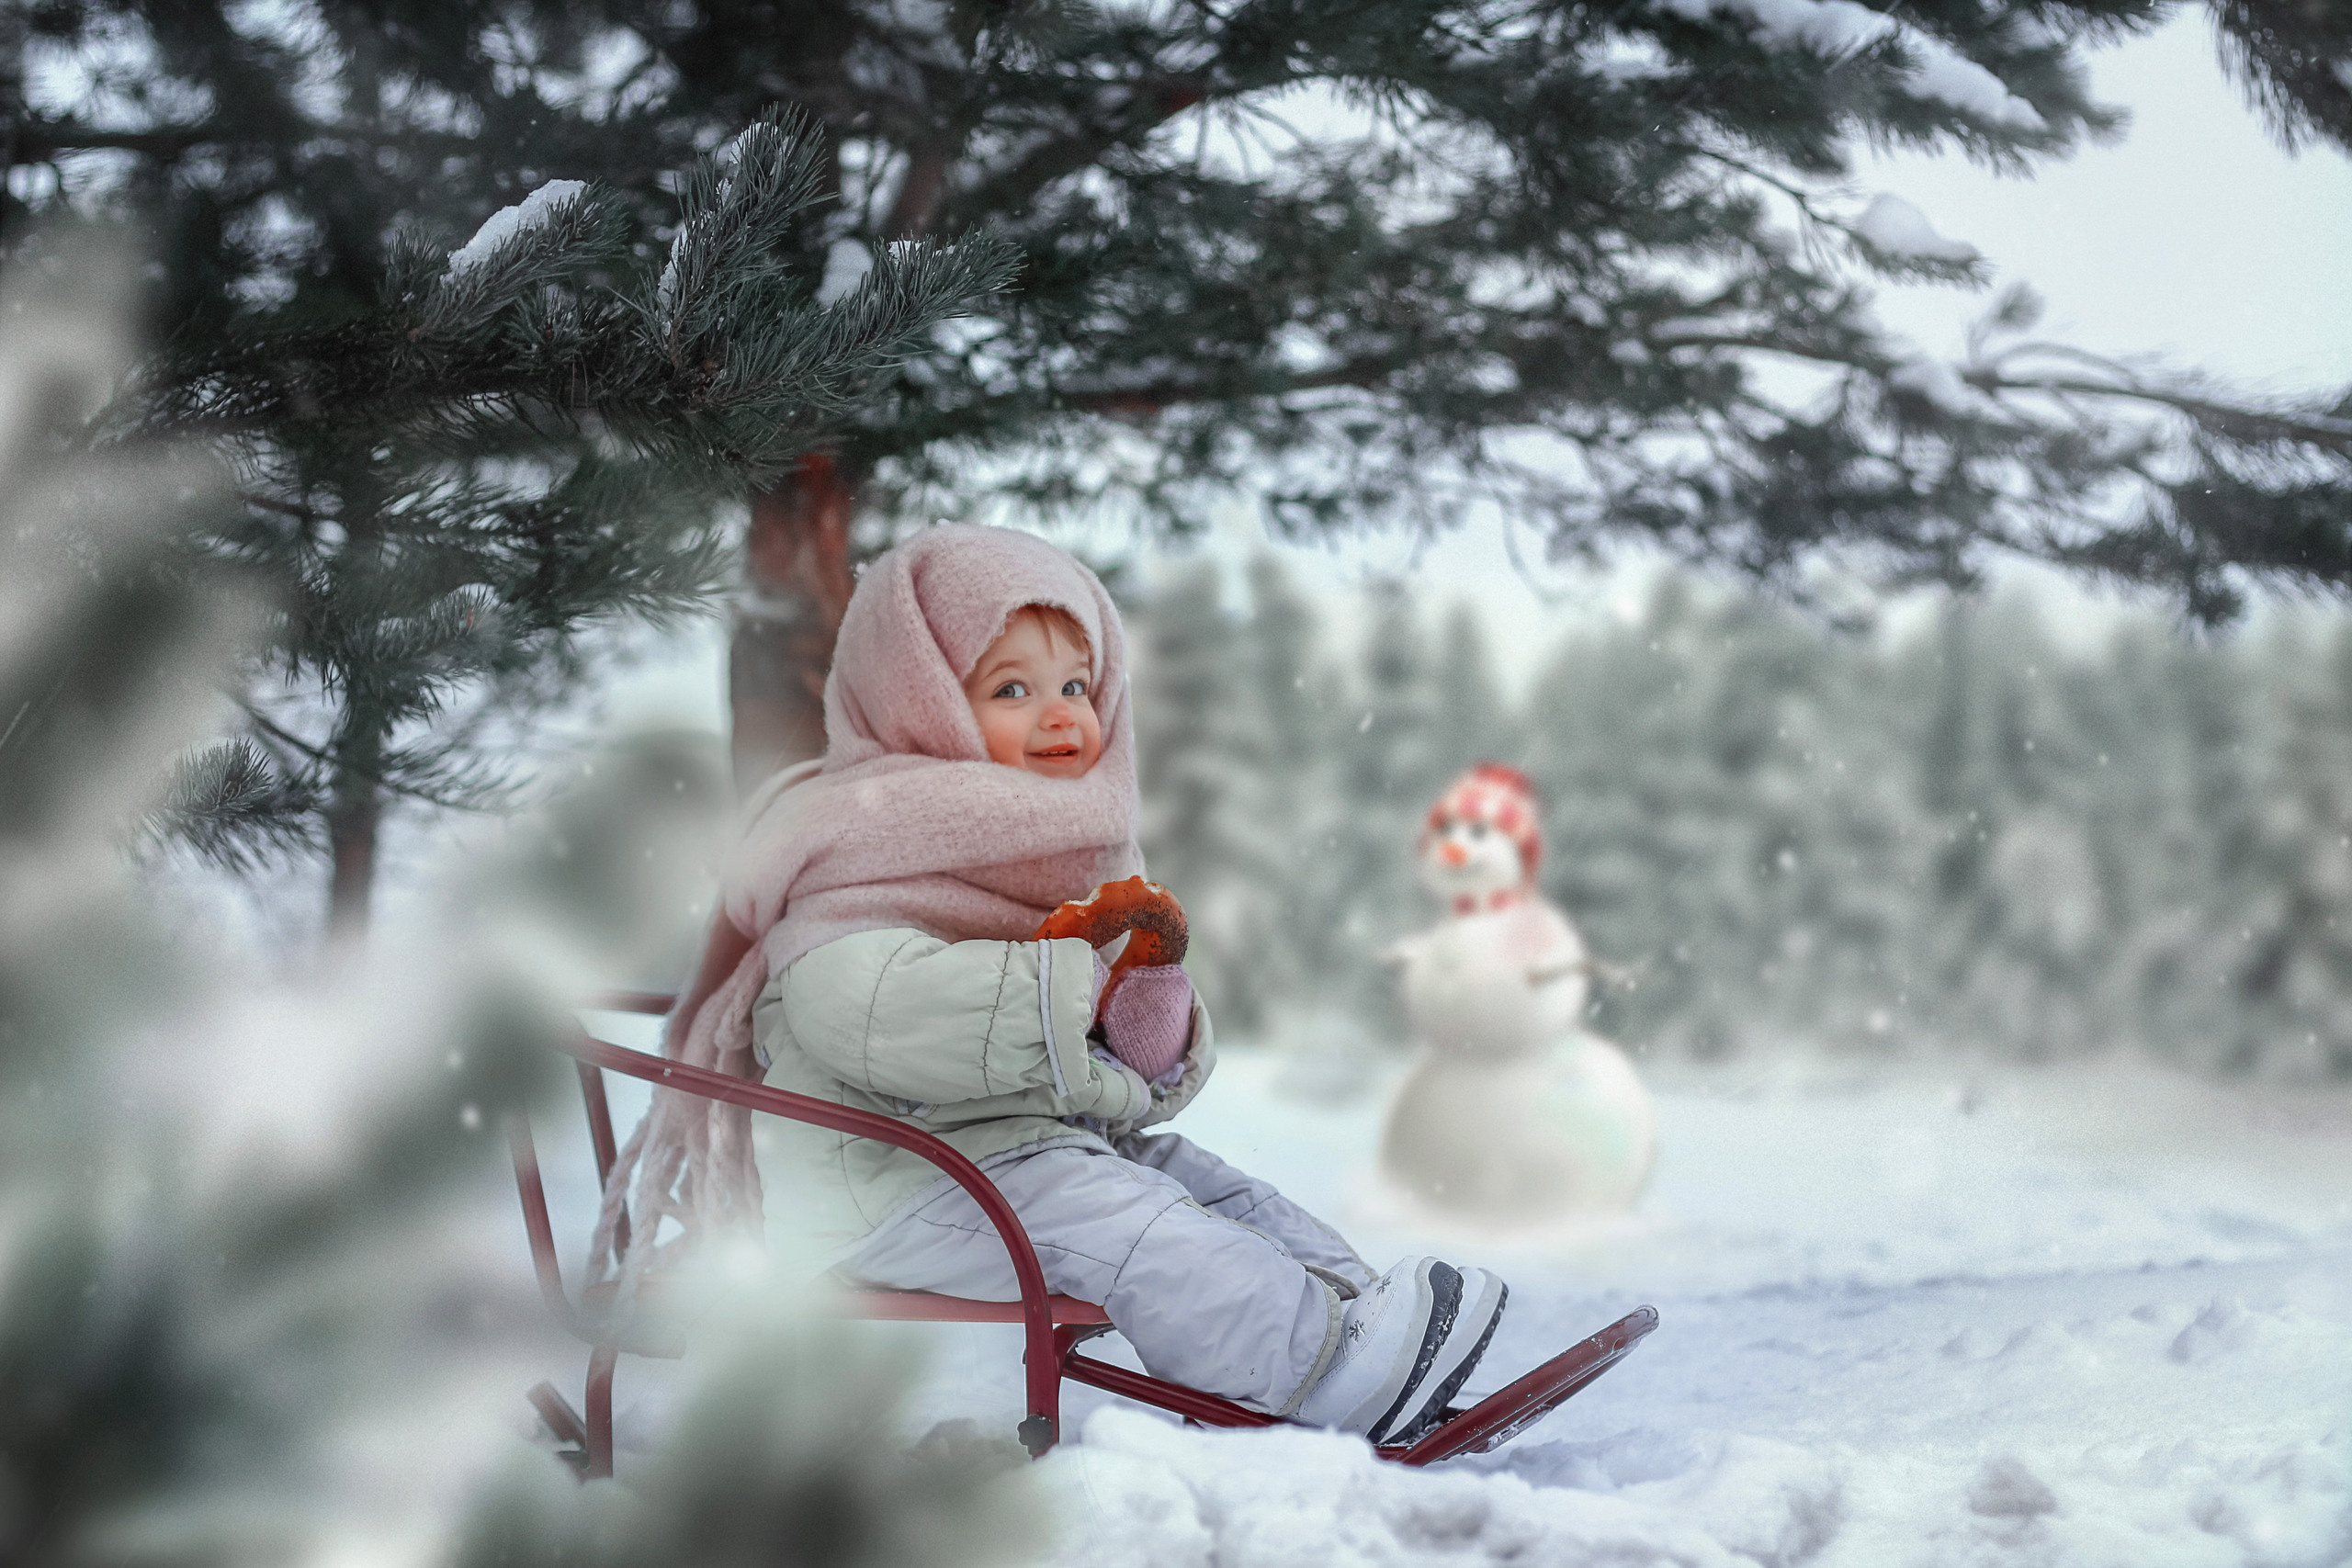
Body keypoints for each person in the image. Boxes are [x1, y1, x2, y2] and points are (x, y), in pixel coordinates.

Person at [594, 524, 1505, 1445]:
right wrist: (1068, 986)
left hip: (1009, 1151)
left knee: (1207, 1192)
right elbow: (864, 1008)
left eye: (1076, 684)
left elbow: (1089, 1036)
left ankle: (1365, 1336)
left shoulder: (1048, 851)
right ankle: (1316, 1372)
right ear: (921, 703)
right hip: (889, 1184)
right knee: (1127, 1222)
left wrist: (1144, 1012)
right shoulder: (854, 843)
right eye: (1012, 690)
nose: (1062, 713)